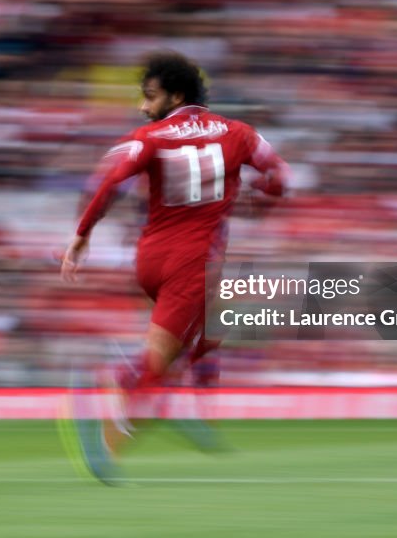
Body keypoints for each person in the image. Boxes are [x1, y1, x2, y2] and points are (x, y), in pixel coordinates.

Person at [60, 50, 288, 484]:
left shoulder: (148, 136)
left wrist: (83, 235)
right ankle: (108, 431)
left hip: (150, 258)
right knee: (161, 361)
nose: (143, 106)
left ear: (176, 95)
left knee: (214, 321)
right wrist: (263, 190)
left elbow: (109, 182)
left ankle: (191, 405)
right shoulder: (240, 133)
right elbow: (280, 175)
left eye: (149, 96)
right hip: (192, 263)